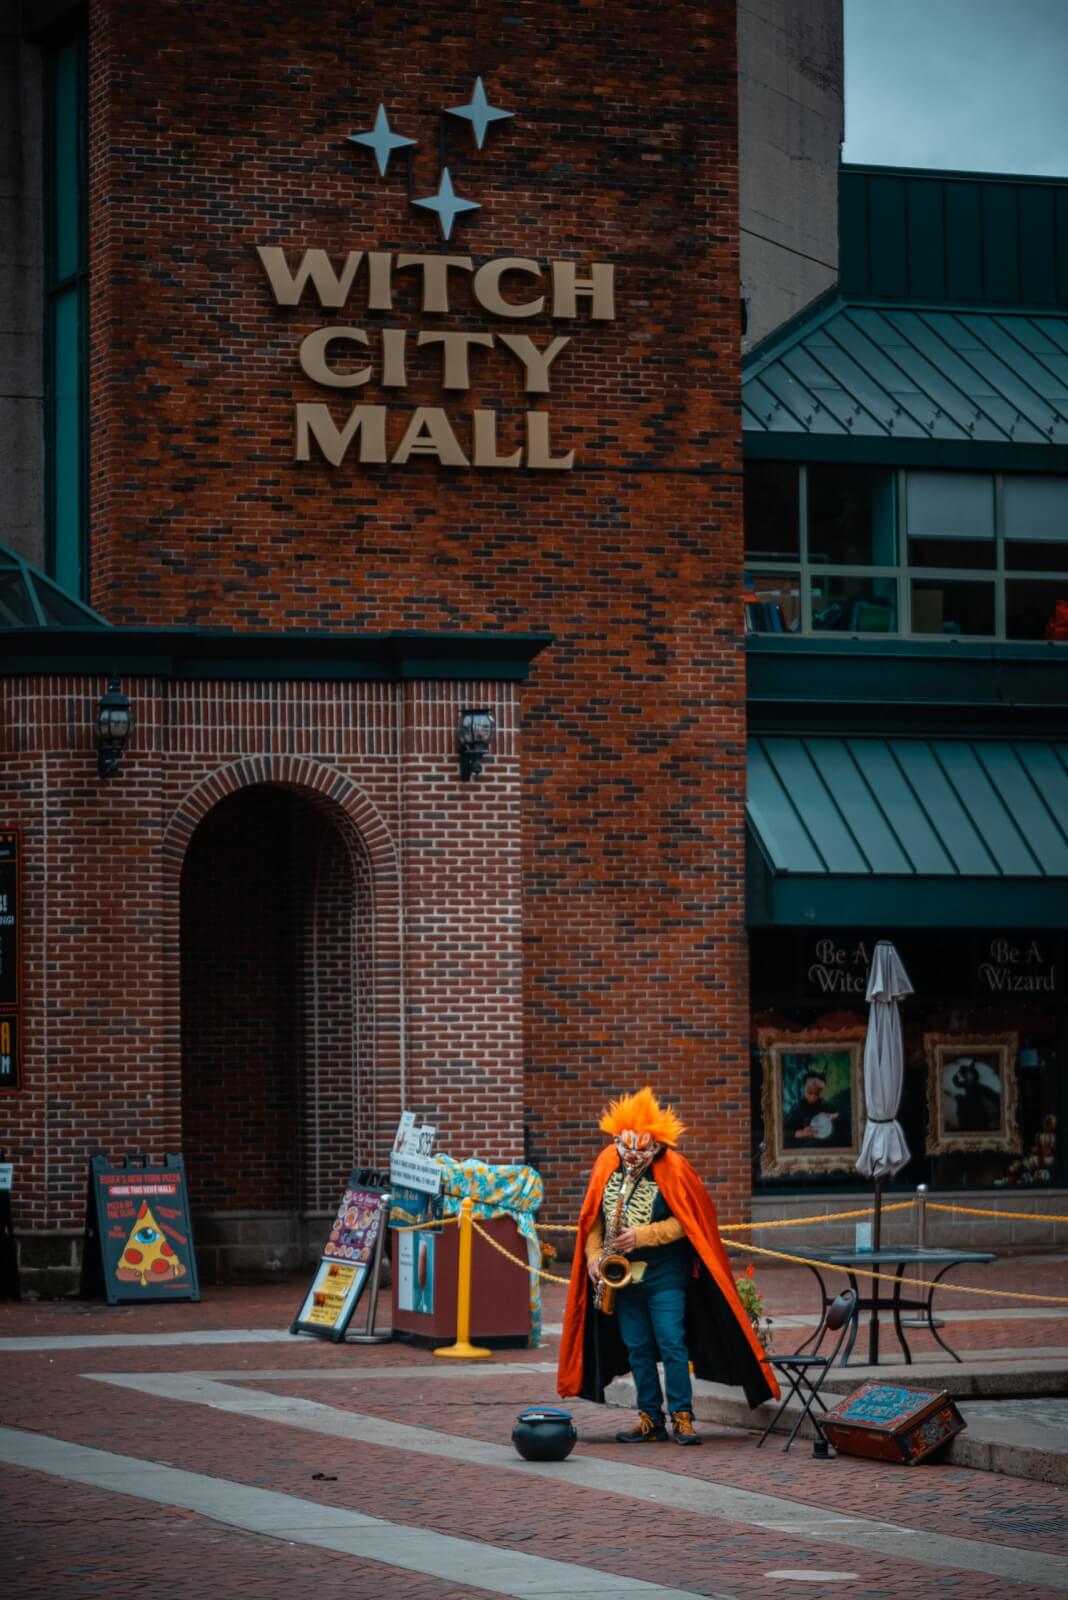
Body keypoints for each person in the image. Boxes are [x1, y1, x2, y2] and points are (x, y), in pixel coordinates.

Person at [557, 1087, 778, 1445]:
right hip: (623, 1278)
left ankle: (682, 1416)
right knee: (637, 1345)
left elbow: (687, 1221)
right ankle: (650, 1417)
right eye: (624, 1148)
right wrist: (593, 1255)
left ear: (656, 1145)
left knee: (672, 1342)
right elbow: (594, 1219)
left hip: (665, 1274)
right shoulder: (607, 1163)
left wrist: (642, 1236)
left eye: (639, 1150)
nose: (630, 1157)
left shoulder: (674, 1168)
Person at [785, 1071, 851, 1148]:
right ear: (804, 1089)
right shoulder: (797, 1109)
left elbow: (844, 1114)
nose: (812, 1097)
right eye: (810, 1093)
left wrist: (833, 1116)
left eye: (816, 1094)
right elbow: (784, 1132)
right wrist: (800, 1133)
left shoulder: (824, 1104)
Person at [950, 1060, 1000, 1133]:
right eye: (968, 1074)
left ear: (975, 1075)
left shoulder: (978, 1086)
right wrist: (956, 1075)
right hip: (967, 1109)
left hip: (976, 1108)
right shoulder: (966, 1084)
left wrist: (996, 1100)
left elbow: (989, 1093)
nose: (969, 1076)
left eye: (971, 1074)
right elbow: (956, 1083)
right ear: (966, 1076)